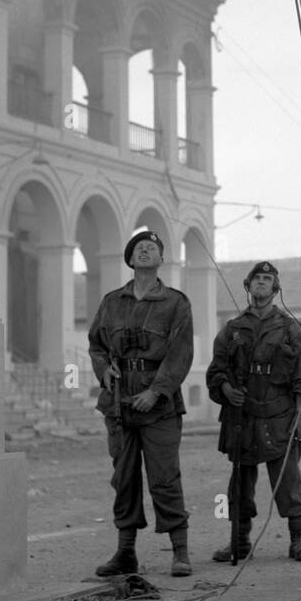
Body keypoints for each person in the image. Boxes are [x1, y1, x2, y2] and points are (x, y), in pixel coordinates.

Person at [89, 228, 194, 577]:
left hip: (158, 406)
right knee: (124, 478)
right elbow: (97, 345)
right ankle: (126, 552)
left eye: (152, 248)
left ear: (161, 259)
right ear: (130, 260)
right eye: (139, 248)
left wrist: (156, 391)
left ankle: (180, 551)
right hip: (119, 405)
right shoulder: (111, 302)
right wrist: (103, 371)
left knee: (165, 477)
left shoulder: (176, 303)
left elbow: (180, 354)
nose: (145, 251)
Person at [207, 262, 301, 562]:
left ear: (276, 289)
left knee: (289, 480)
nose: (262, 284)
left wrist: (299, 414)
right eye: (257, 279)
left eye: (268, 280)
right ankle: (239, 541)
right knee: (239, 483)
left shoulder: (290, 327)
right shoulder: (232, 329)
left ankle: (297, 540)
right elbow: (216, 371)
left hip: (280, 414)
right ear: (248, 285)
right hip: (242, 417)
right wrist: (227, 389)